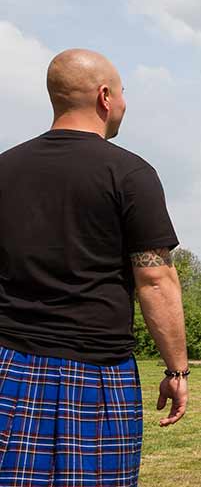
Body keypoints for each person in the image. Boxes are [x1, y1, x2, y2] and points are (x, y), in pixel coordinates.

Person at [0, 48, 188, 486]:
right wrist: (176, 369)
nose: (123, 103)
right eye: (122, 93)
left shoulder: (4, 168)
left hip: (7, 364)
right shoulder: (130, 174)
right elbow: (155, 280)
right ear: (105, 97)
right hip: (97, 374)